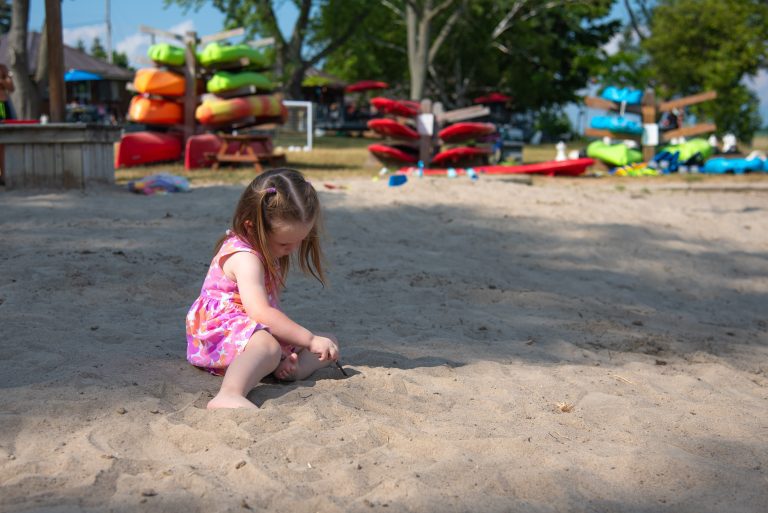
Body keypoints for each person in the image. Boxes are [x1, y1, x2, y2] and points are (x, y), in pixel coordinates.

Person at [186, 168, 340, 409]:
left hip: (251, 329)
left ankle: (292, 369)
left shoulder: (266, 246)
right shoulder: (245, 258)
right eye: (284, 242)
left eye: (300, 239)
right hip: (218, 333)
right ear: (251, 226)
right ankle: (229, 393)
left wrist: (310, 342)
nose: (292, 248)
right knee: (270, 346)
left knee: (328, 341)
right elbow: (260, 312)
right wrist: (307, 339)